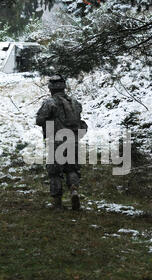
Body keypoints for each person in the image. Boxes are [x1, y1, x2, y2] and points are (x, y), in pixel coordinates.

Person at [35, 75, 86, 211]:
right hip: (73, 140)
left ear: (51, 88)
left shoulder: (49, 103)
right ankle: (74, 191)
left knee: (55, 172)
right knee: (72, 169)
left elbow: (39, 120)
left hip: (57, 142)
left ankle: (57, 203)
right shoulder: (75, 103)